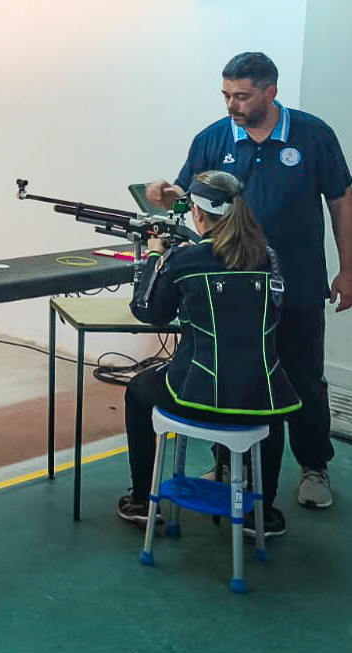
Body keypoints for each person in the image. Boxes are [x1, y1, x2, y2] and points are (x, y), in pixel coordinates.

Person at [146, 52, 352, 514]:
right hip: (232, 295)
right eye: (226, 95)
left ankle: (313, 466)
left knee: (304, 378)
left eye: (241, 96)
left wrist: (348, 269)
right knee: (235, 377)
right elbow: (191, 197)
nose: (231, 105)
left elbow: (341, 201)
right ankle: (227, 464)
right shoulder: (213, 138)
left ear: (270, 92)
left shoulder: (313, 135)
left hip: (297, 286)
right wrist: (166, 195)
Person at [120, 171, 300, 537]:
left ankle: (141, 501)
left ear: (197, 214)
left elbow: (148, 311)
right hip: (260, 395)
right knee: (269, 413)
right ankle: (263, 514)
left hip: (197, 396)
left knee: (137, 391)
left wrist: (155, 257)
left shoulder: (185, 260)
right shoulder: (268, 257)